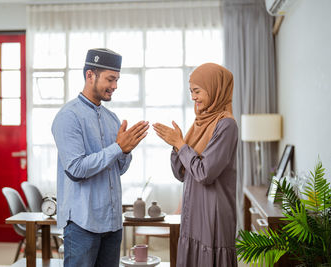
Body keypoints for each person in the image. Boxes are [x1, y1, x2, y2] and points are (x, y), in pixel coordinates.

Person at [52, 48, 149, 267]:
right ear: (90, 75)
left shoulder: (111, 118)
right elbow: (76, 170)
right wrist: (117, 148)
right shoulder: (68, 117)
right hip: (82, 224)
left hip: (112, 224)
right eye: (110, 79)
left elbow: (118, 169)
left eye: (117, 80)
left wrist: (125, 151)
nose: (115, 86)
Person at [153, 63, 238, 267]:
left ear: (214, 88)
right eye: (191, 91)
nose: (193, 97)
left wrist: (180, 144)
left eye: (197, 91)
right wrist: (176, 147)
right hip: (193, 212)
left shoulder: (226, 125)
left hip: (213, 213)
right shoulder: (199, 123)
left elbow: (205, 173)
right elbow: (182, 173)